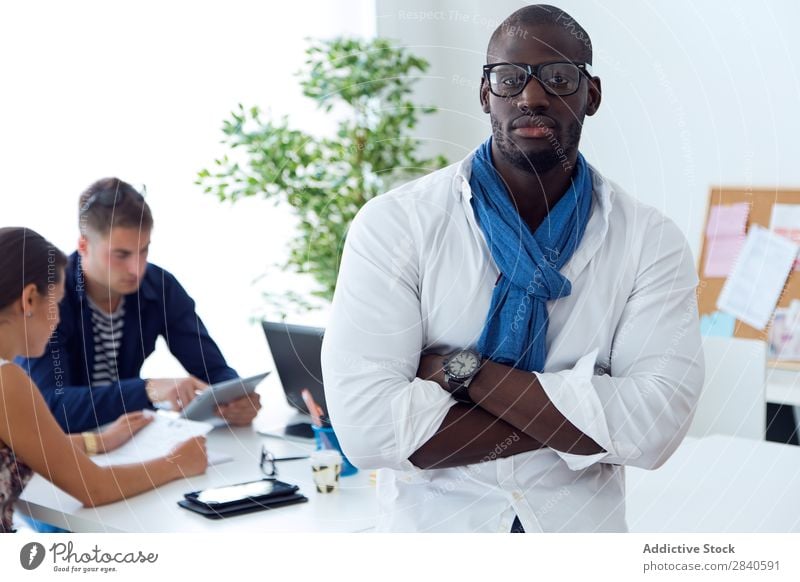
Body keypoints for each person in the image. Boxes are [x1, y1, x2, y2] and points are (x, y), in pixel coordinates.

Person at [321, 4, 704, 532]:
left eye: (558, 77)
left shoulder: (650, 241)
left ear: (591, 95)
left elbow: (655, 428)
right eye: (509, 78)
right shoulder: (395, 225)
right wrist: (589, 416)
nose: (532, 96)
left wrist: (464, 372)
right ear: (485, 94)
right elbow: (367, 432)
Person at [0, 227, 207, 533]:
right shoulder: (6, 380)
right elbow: (94, 488)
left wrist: (98, 441)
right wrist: (177, 462)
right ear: (29, 299)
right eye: (55, 302)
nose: (58, 318)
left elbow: (29, 443)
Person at [18, 177, 261, 433]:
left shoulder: (160, 287)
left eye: (143, 251)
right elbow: (50, 407)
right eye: (121, 255)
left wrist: (237, 398)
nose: (137, 269)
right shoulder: (50, 298)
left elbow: (212, 370)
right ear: (83, 245)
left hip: (131, 441)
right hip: (64, 451)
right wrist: (149, 390)